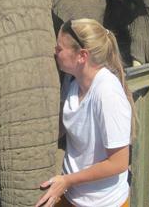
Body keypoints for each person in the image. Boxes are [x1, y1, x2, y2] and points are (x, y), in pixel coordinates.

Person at [35, 18, 135, 207]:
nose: (54, 52)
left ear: (82, 56)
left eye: (59, 48)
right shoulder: (73, 81)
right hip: (73, 194)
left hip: (102, 202)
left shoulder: (107, 93)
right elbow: (67, 125)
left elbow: (119, 162)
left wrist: (67, 180)